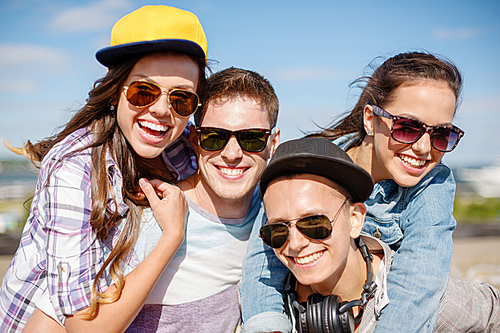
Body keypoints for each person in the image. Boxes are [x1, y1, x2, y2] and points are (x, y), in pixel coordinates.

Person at [0, 5, 208, 332]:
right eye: (144, 92)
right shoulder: (73, 168)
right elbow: (83, 325)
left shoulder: (180, 147)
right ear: (115, 93)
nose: (162, 110)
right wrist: (173, 235)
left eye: (181, 99)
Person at [240, 51, 465, 332]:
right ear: (370, 119)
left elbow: (419, 282)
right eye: (407, 128)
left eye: (442, 134)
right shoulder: (306, 163)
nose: (423, 147)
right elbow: (262, 268)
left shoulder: (434, 183)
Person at [259, 137, 500, 333]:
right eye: (278, 230)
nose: (296, 244)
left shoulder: (429, 298)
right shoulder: (271, 307)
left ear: (355, 220)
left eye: (314, 223)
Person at [104, 67, 280, 332]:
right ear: (196, 139)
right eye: (215, 137)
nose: (232, 154)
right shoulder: (151, 221)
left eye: (252, 139)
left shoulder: (275, 215)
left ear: (273, 142)